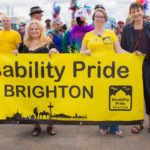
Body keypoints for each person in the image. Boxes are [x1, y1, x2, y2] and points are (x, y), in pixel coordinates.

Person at [80, 8, 129, 137]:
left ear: (105, 19)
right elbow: (80, 53)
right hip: (94, 73)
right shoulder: (88, 35)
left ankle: (115, 127)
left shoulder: (110, 33)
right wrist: (85, 53)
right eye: (97, 16)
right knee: (99, 99)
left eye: (102, 17)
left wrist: (133, 56)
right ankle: (102, 125)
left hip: (111, 72)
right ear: (94, 18)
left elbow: (119, 50)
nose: (99, 19)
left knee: (111, 98)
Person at [15, 20, 58, 136]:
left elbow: (57, 55)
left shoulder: (48, 42)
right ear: (29, 31)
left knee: (47, 102)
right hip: (30, 81)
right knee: (33, 102)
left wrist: (54, 51)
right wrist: (15, 54)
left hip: (45, 79)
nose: (34, 31)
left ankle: (50, 125)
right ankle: (36, 125)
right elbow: (18, 59)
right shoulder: (25, 44)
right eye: (32, 29)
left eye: (36, 29)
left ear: (41, 30)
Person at [121, 2, 150, 134]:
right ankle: (138, 123)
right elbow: (122, 48)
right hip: (132, 67)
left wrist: (145, 55)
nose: (136, 13)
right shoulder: (126, 28)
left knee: (149, 93)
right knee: (135, 94)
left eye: (138, 11)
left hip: (148, 65)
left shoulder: (149, 26)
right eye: (133, 12)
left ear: (142, 11)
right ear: (130, 14)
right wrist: (131, 56)